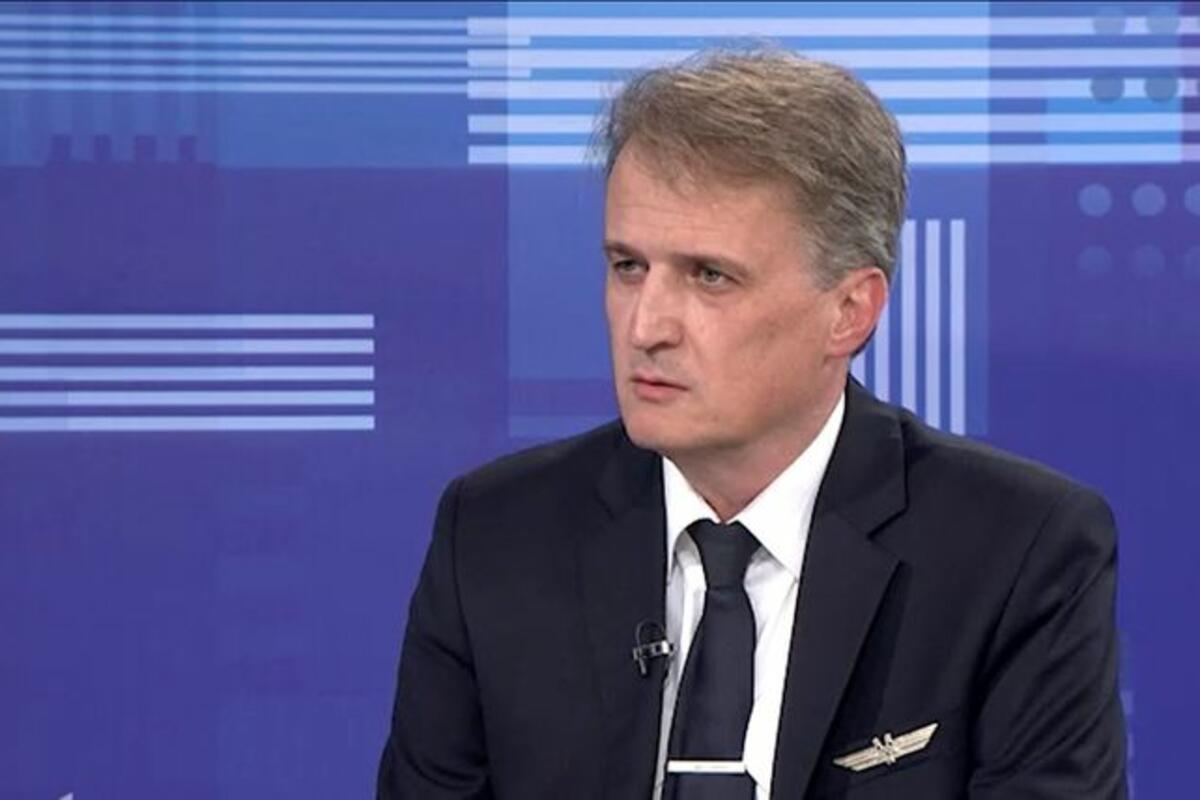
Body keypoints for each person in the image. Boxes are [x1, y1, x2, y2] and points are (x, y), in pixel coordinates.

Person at [377, 49, 1127, 799]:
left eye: (710, 276)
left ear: (849, 311)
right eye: (628, 266)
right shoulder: (497, 538)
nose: (646, 326)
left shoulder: (1015, 553)